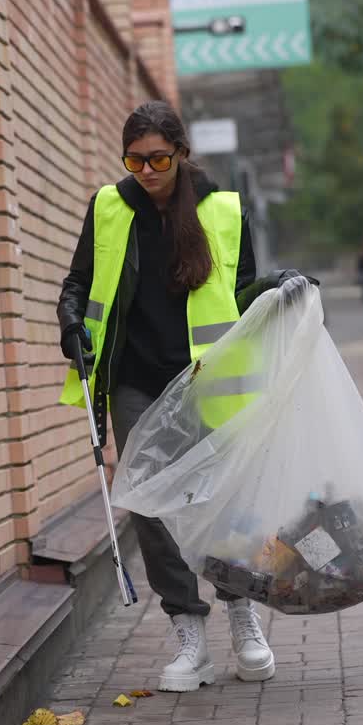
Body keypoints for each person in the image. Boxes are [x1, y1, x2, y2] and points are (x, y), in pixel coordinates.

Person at [56, 100, 316, 693]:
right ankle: (187, 633)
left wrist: (278, 286)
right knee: (150, 504)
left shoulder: (222, 209)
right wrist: (70, 323)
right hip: (134, 378)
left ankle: (242, 614)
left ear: (181, 154)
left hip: (208, 379)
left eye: (158, 159)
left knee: (222, 498)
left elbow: (241, 291)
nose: (146, 171)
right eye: (135, 160)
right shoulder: (108, 208)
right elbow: (77, 283)